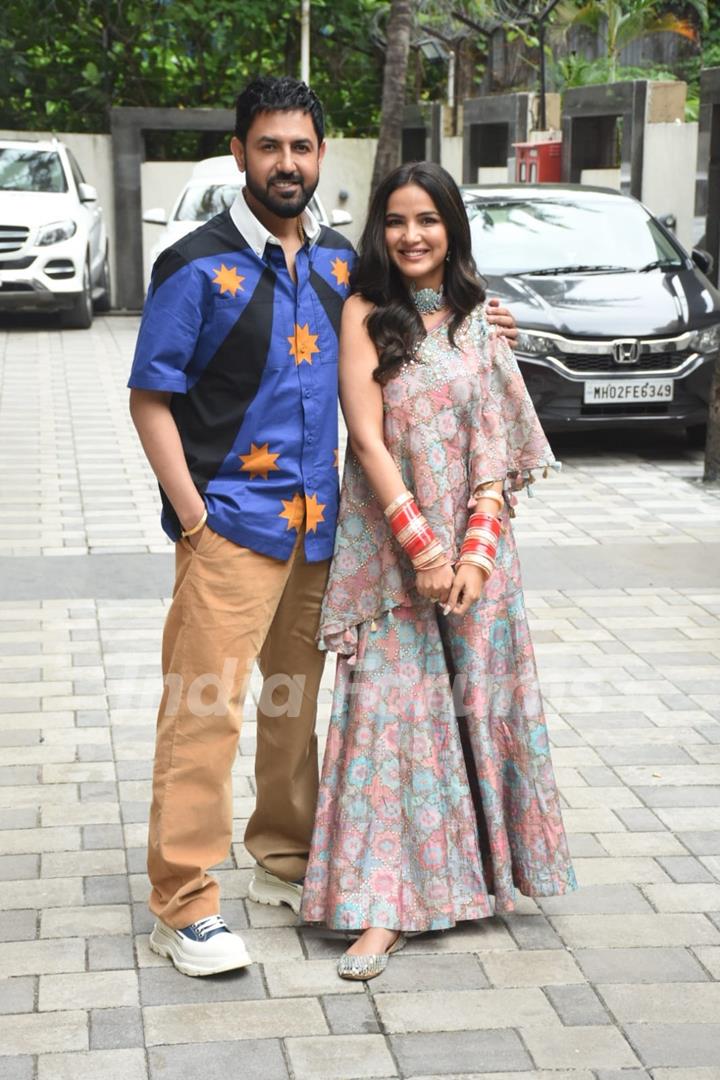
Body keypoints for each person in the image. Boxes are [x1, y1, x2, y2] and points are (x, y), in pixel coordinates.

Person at [129, 75, 519, 977]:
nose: (287, 163)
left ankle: (282, 856)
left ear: (320, 156)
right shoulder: (193, 264)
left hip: (320, 537)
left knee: (290, 708)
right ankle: (182, 903)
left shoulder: (344, 261)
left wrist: (485, 315)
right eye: (269, 146)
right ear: (240, 155)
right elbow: (152, 400)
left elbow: (422, 313)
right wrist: (193, 518)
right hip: (229, 528)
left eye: (302, 147)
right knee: (203, 713)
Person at [300, 161, 577, 980]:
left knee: (479, 706)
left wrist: (475, 554)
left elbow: (498, 448)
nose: (412, 235)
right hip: (394, 556)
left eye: (427, 219)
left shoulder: (482, 322)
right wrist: (423, 550)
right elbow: (368, 439)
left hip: (479, 559)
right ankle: (382, 908)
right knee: (392, 724)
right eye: (395, 220)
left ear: (451, 226)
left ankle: (482, 877)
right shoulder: (363, 315)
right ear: (379, 231)